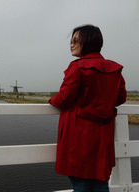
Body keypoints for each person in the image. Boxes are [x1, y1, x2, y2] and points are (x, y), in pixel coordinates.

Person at [48, 24, 126, 192]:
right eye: (71, 40)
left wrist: (51, 100)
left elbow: (63, 99)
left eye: (76, 40)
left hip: (79, 137)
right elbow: (120, 98)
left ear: (88, 41)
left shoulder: (77, 67)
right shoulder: (114, 69)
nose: (71, 44)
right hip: (103, 137)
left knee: (80, 182)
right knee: (100, 182)